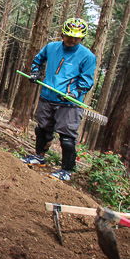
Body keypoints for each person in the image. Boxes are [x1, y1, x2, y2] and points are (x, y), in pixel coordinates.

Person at [21, 18, 97, 181]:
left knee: (67, 136)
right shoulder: (51, 47)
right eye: (69, 36)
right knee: (42, 129)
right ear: (63, 34)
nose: (72, 40)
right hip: (48, 96)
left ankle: (66, 170)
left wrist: (74, 93)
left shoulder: (87, 56)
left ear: (82, 38)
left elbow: (87, 80)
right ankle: (39, 157)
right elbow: (37, 60)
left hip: (69, 104)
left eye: (76, 38)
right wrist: (35, 73)